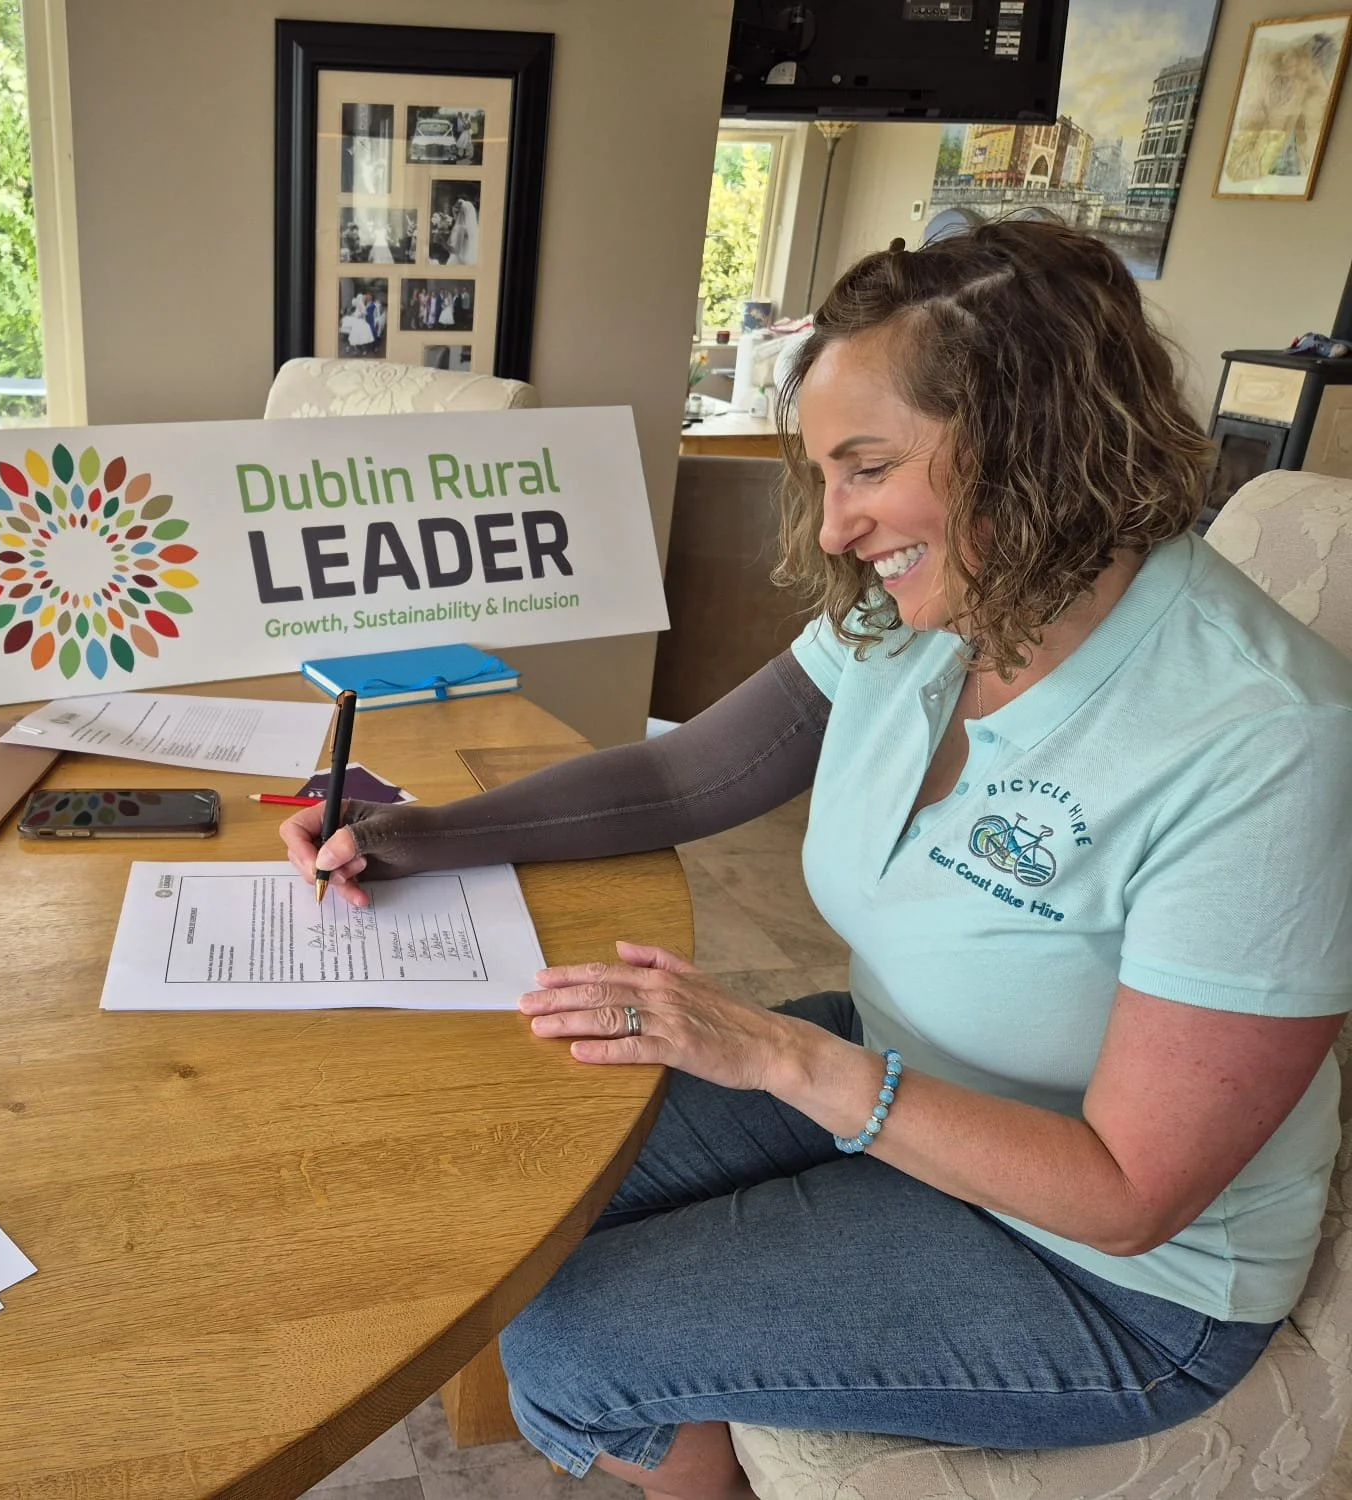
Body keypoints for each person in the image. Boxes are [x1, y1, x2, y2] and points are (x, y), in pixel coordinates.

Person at [281, 220, 1352, 1500]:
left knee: (571, 1335)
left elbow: (1128, 1197)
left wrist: (776, 1054)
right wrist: (414, 836)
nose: (836, 528)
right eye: (822, 473)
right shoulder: (931, 609)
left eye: (866, 468)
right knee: (521, 1181)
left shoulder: (1261, 741)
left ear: (1036, 439)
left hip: (1120, 1281)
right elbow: (687, 772)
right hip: (909, 1071)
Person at [447, 195, 480, 265]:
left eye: (455, 212)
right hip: (465, 261)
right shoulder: (471, 227)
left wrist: (442, 242)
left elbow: (456, 251)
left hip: (457, 261)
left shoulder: (460, 227)